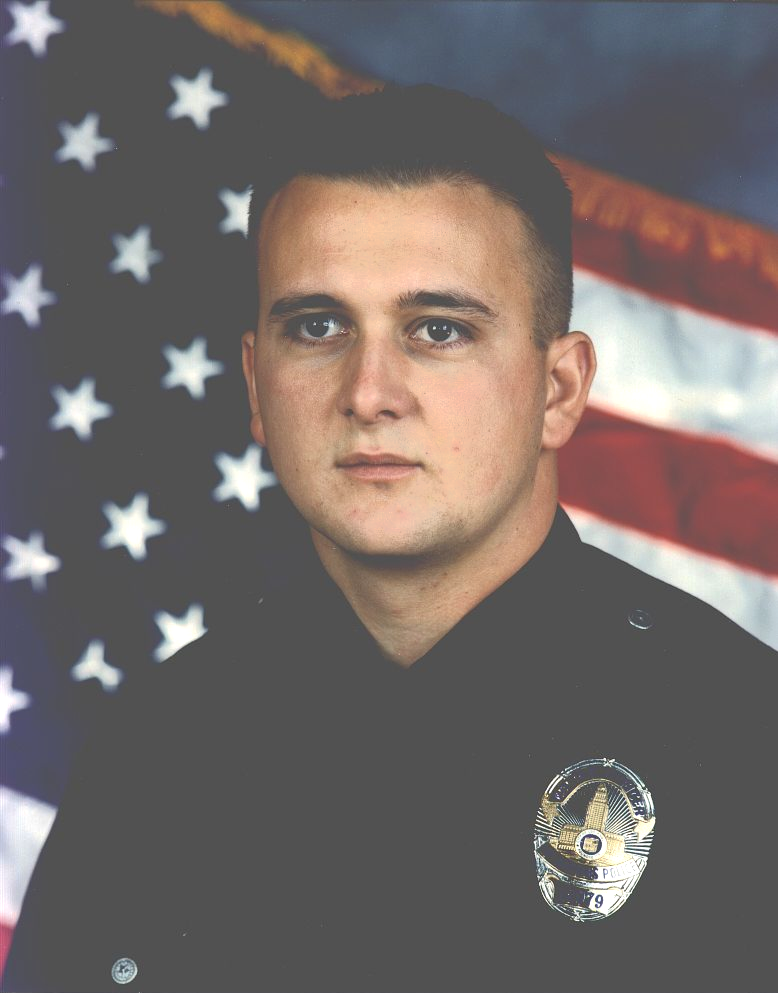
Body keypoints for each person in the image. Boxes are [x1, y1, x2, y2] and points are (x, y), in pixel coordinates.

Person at [4, 85, 774, 993]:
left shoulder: (743, 752)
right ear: (257, 384)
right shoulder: (154, 759)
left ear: (560, 390)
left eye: (437, 330)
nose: (369, 390)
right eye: (318, 326)